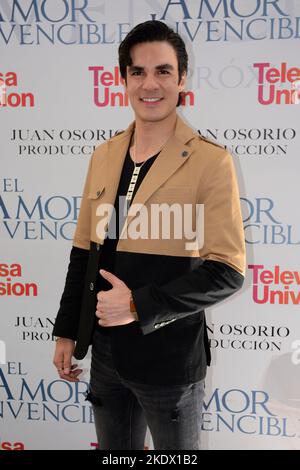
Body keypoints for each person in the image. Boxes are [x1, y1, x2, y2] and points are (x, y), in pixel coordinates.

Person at [52, 20, 246, 450]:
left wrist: (139, 305)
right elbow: (84, 253)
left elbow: (227, 271)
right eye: (137, 72)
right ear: (123, 80)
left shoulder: (211, 162)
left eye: (162, 71)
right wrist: (68, 330)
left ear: (181, 79)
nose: (149, 84)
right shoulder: (104, 155)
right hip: (104, 356)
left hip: (169, 363)